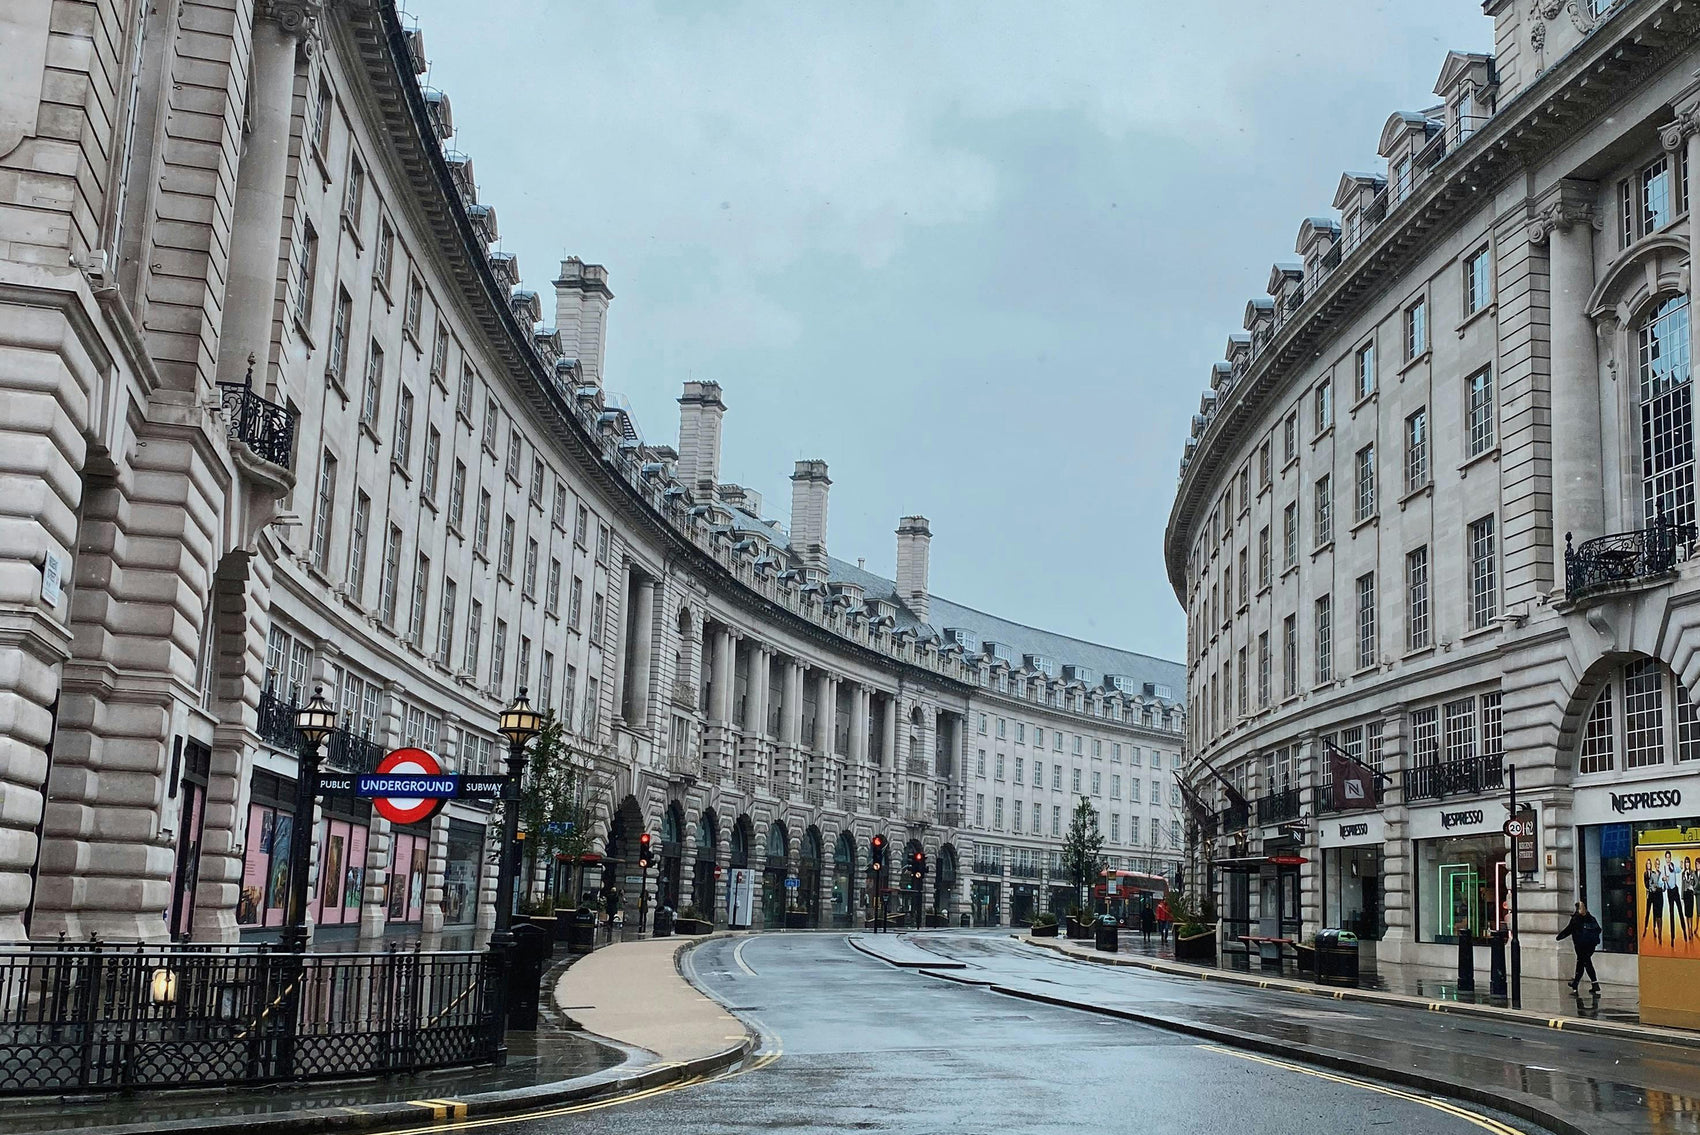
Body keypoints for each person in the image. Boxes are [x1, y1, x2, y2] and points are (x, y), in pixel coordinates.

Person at [1557, 900, 1602, 993]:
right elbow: (1598, 929)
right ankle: (1577, 983)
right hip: (1591, 945)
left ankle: (1594, 983)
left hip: (1581, 945)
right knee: (1582, 962)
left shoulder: (1576, 919)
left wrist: (1559, 937)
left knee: (1585, 962)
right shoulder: (1591, 918)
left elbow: (1568, 930)